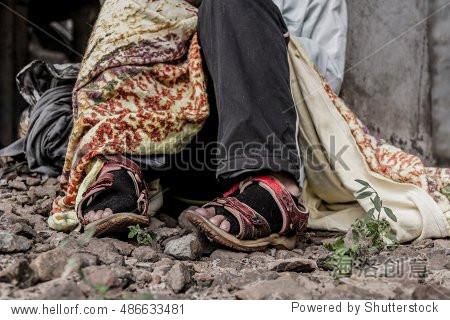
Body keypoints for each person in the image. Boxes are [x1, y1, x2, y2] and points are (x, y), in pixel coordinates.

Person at [50, 0, 347, 251]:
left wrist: (237, 33)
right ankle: (121, 166)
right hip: (170, 157)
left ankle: (273, 184)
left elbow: (328, 77)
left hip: (244, 148)